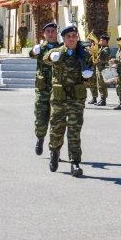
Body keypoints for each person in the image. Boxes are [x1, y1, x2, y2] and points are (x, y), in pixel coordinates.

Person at [44, 26, 92, 177]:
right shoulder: (57, 52)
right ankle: (54, 153)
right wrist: (52, 57)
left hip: (76, 100)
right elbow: (45, 59)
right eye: (69, 36)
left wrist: (89, 75)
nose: (72, 38)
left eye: (74, 36)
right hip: (59, 99)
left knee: (74, 131)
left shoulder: (84, 55)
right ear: (63, 39)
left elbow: (92, 74)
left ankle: (75, 163)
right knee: (56, 129)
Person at [29, 22, 61, 155]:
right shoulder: (41, 48)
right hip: (42, 90)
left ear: (56, 33)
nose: (50, 33)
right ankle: (40, 138)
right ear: (44, 34)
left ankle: (55, 150)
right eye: (48, 31)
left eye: (53, 31)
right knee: (41, 118)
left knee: (57, 121)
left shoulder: (62, 48)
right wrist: (33, 51)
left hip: (58, 91)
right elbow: (32, 55)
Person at [91, 35, 111, 106]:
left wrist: (98, 60)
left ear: (105, 41)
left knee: (102, 85)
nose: (100, 41)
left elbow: (105, 59)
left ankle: (103, 100)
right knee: (99, 85)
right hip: (99, 68)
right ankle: (102, 99)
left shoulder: (106, 49)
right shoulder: (101, 48)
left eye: (102, 40)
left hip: (103, 69)